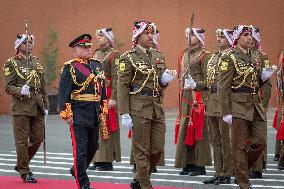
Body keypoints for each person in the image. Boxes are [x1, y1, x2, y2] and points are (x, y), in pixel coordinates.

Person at [117, 21, 176, 189]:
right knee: (141, 150)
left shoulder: (159, 56)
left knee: (157, 149)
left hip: (156, 107)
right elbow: (122, 86)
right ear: (137, 36)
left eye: (152, 33)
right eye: (146, 33)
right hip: (138, 108)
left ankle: (138, 178)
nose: (151, 36)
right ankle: (145, 185)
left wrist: (165, 81)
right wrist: (124, 112)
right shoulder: (128, 57)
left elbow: (159, 82)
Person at [217, 25, 275, 189]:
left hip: (255, 104)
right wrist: (226, 112)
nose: (249, 38)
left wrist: (263, 77)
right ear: (237, 38)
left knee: (260, 141)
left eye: (250, 35)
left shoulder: (256, 56)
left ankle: (239, 170)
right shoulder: (229, 57)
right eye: (245, 35)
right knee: (239, 146)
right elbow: (223, 87)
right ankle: (243, 183)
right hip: (238, 106)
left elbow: (256, 80)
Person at [58, 34, 107, 189]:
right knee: (80, 150)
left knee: (93, 146)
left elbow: (102, 89)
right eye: (84, 47)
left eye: (89, 47)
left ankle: (77, 170)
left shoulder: (97, 65)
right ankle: (83, 184)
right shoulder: (70, 67)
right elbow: (64, 92)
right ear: (76, 50)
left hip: (94, 112)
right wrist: (67, 113)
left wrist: (103, 107)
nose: (88, 49)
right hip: (78, 113)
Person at [3, 33, 49, 183]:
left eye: (31, 42)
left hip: (37, 106)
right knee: (22, 141)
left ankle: (20, 163)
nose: (29, 44)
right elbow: (8, 87)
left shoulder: (36, 63)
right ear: (18, 46)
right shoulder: (11, 63)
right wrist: (19, 90)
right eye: (26, 42)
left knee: (38, 139)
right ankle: (24, 171)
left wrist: (47, 106)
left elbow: (43, 87)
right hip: (21, 107)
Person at [174, 27, 212, 176]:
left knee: (198, 130)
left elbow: (209, 80)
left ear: (199, 37)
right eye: (186, 35)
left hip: (199, 97)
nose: (187, 37)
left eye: (191, 35)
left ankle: (199, 164)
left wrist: (196, 84)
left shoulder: (205, 56)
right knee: (185, 128)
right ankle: (187, 163)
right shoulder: (183, 55)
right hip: (185, 97)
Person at [202, 29, 234, 185]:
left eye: (222, 37)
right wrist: (196, 85)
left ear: (230, 39)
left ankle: (227, 172)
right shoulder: (214, 57)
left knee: (225, 141)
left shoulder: (232, 56)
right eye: (218, 36)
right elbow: (208, 82)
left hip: (224, 103)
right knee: (215, 140)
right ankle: (218, 171)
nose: (219, 39)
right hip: (211, 101)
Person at [89, 28, 121, 171]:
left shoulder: (115, 55)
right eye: (98, 37)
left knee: (107, 127)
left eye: (102, 37)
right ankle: (97, 159)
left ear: (109, 39)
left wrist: (114, 97)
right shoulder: (95, 53)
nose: (99, 39)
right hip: (96, 94)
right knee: (96, 127)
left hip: (108, 94)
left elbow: (117, 78)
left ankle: (106, 161)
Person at [249, 26, 272, 179]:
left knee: (258, 136)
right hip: (244, 102)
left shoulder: (263, 57)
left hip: (257, 101)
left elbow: (267, 82)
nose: (249, 39)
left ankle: (257, 167)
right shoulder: (239, 56)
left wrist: (264, 103)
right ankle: (247, 165)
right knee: (246, 136)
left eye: (251, 36)